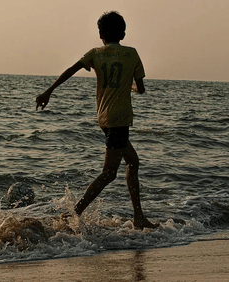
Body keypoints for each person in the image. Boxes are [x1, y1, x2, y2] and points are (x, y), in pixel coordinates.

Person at [36, 11, 158, 229]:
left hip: (104, 119)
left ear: (101, 34)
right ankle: (74, 214)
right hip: (120, 119)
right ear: (123, 32)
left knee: (133, 161)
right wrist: (128, 86)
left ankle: (138, 217)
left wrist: (49, 91)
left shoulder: (95, 54)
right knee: (109, 173)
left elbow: (70, 71)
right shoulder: (132, 54)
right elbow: (140, 89)